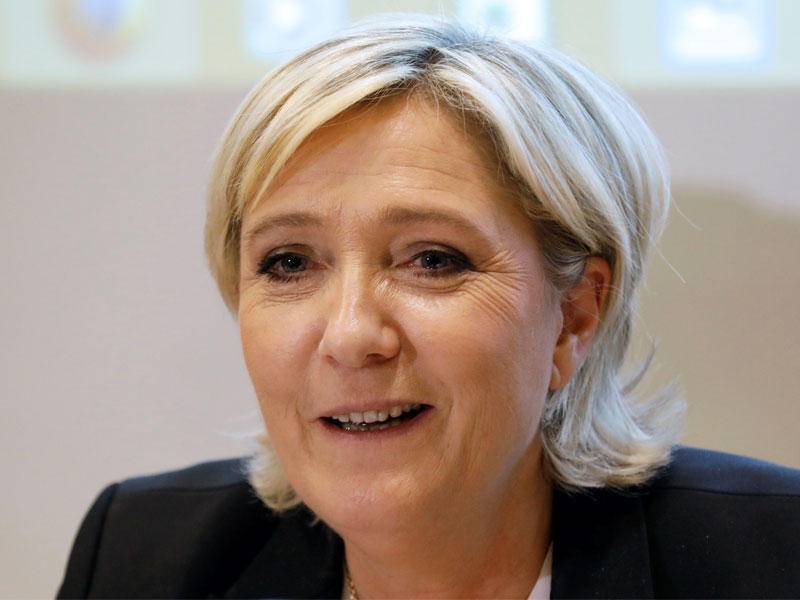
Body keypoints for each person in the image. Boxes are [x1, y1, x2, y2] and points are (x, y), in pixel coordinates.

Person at [57, 14, 800, 599]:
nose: (351, 335)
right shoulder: (143, 556)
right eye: (289, 263)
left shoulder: (774, 556)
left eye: (433, 260)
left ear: (575, 314)